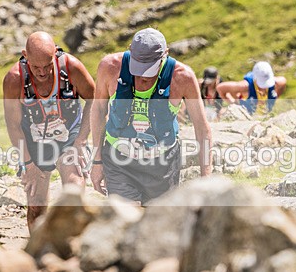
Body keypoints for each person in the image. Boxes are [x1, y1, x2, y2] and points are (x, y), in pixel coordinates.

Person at [89, 27, 212, 204]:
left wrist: (205, 179)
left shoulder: (183, 77)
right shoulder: (109, 67)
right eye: (137, 68)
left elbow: (202, 127)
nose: (141, 78)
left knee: (157, 225)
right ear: (130, 49)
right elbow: (99, 110)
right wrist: (97, 161)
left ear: (165, 55)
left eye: (149, 69)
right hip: (119, 161)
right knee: (126, 219)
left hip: (162, 165)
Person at [3, 31, 96, 229]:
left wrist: (81, 140)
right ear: (24, 55)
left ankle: (73, 247)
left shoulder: (71, 67)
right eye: (36, 67)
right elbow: (14, 126)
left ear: (55, 53)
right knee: (36, 202)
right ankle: (37, 251)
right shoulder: (14, 79)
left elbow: (95, 99)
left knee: (74, 190)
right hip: (34, 139)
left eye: (47, 65)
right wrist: (28, 164)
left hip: (69, 132)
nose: (43, 72)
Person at [216, 61, 287, 116]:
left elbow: (283, 82)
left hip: (265, 115)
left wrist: (275, 97)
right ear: (255, 78)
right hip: (247, 116)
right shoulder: (244, 86)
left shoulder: (278, 82)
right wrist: (233, 102)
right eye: (262, 83)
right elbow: (220, 88)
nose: (264, 87)